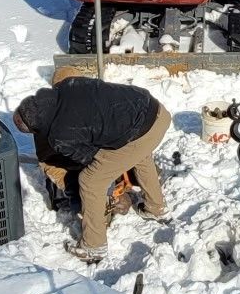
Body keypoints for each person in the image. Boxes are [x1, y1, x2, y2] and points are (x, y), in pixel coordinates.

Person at [13, 76, 171, 263]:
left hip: (139, 131)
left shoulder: (59, 135)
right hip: (155, 111)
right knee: (140, 154)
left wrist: (109, 191)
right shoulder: (66, 84)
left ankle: (94, 246)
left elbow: (90, 159)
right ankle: (155, 207)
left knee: (90, 181)